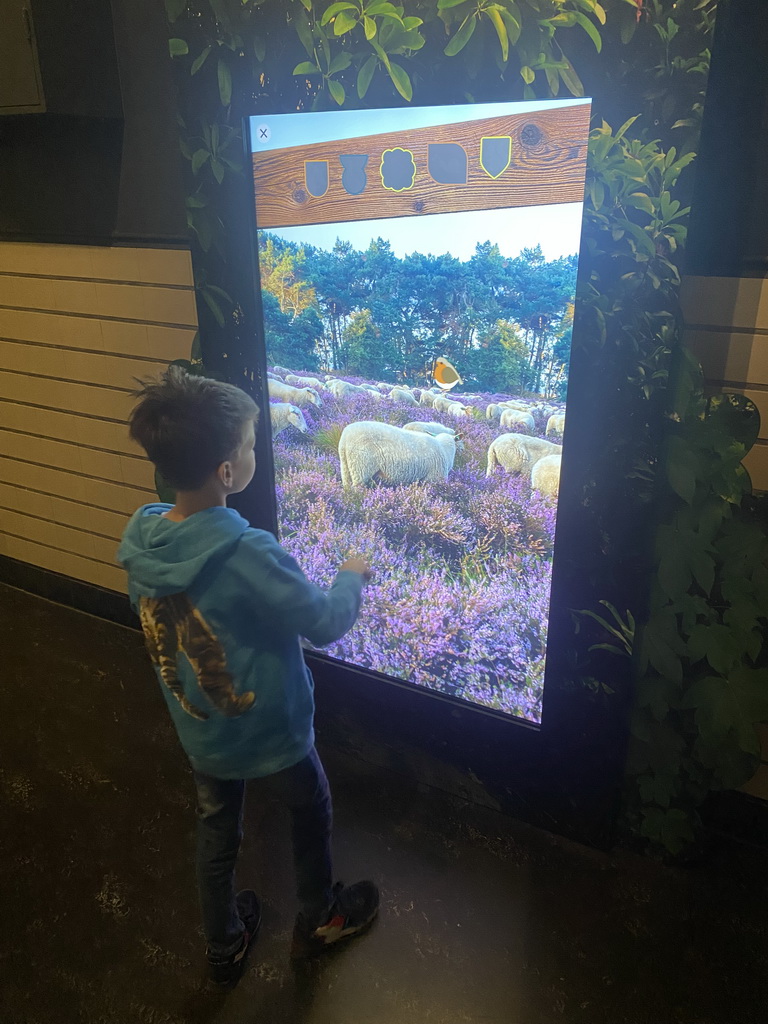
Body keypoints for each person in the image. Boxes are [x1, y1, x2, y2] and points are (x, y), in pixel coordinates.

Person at [117, 366, 378, 988]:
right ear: (227, 472)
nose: (255, 452)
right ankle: (321, 918)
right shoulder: (248, 552)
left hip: (202, 734)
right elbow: (322, 621)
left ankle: (223, 942)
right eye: (250, 445)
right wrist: (350, 576)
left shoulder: (144, 540)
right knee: (310, 806)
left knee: (216, 830)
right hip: (273, 733)